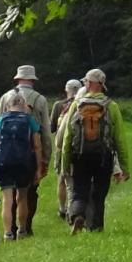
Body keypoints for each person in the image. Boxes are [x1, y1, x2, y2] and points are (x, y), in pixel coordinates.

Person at [57, 68, 132, 233]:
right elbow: (119, 138)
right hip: (103, 157)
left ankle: (77, 216)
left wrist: (65, 164)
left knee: (79, 191)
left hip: (80, 156)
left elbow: (68, 137)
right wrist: (124, 167)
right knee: (99, 193)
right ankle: (95, 228)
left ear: (89, 84)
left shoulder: (77, 105)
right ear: (101, 85)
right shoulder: (111, 106)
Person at [0, 65, 52, 235]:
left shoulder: (5, 97)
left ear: (17, 79)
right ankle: (25, 228)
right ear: (33, 80)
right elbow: (45, 131)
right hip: (28, 155)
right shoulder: (40, 99)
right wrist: (45, 159)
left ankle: (9, 230)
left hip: (6, 155)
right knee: (28, 192)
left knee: (8, 195)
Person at [0, 95, 46, 240]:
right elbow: (37, 146)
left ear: (7, 106)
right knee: (22, 196)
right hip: (24, 163)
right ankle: (22, 230)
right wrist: (39, 167)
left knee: (7, 199)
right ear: (24, 106)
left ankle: (7, 233)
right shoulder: (29, 120)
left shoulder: (1, 119)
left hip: (4, 162)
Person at [50, 78, 81, 223]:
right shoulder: (81, 104)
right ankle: (75, 207)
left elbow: (52, 128)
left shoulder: (58, 105)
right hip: (78, 147)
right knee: (76, 179)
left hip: (61, 148)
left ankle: (63, 209)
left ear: (66, 89)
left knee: (62, 179)